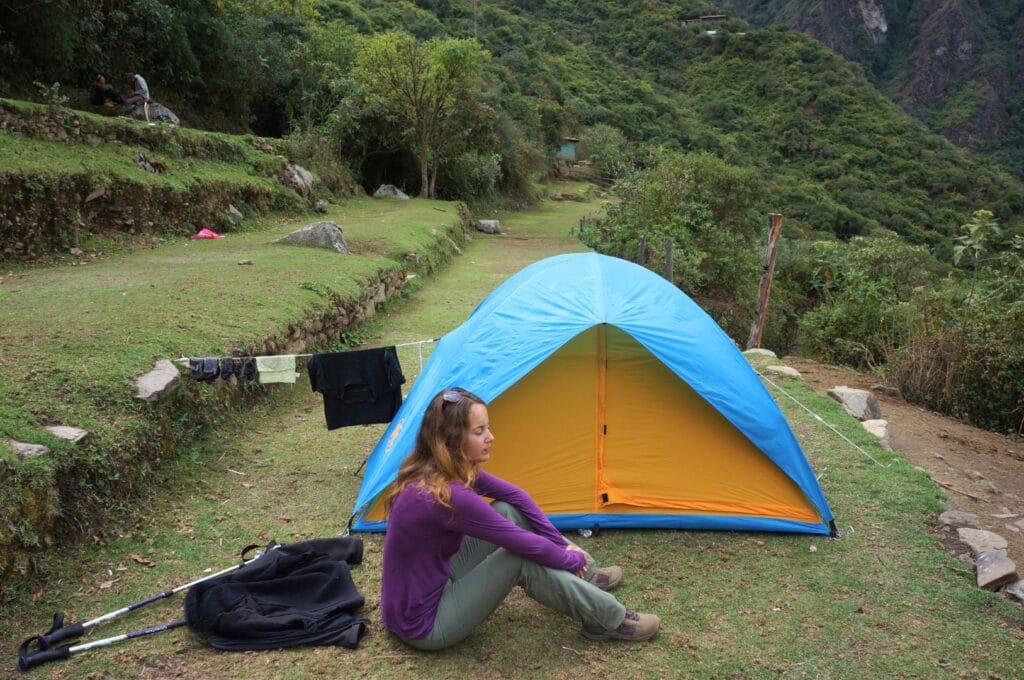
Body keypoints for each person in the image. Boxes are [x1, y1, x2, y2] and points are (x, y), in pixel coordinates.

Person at [380, 387, 660, 650]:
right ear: (453, 440)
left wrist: (562, 548)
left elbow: (515, 496)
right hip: (423, 624)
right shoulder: (448, 496)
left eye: (487, 427)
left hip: (429, 586)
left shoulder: (438, 466)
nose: (491, 436)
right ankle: (610, 619)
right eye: (480, 431)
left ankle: (586, 577)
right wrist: (569, 558)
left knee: (507, 510)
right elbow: (525, 546)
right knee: (517, 558)